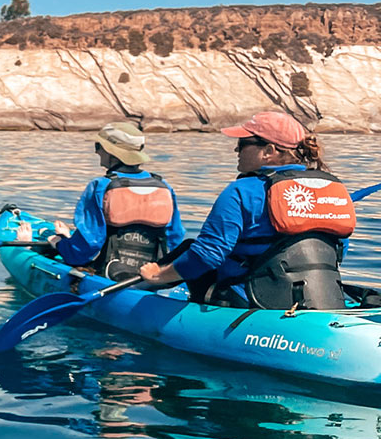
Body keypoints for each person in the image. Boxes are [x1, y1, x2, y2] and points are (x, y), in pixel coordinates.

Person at [137, 112, 356, 309]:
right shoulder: (332, 189)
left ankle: (140, 292)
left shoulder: (241, 191)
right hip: (319, 297)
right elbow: (338, 252)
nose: (236, 150)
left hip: (249, 301)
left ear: (269, 151)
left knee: (189, 249)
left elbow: (207, 256)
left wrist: (159, 276)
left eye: (242, 143)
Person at [45, 122, 185, 279]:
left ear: (111, 153)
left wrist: (60, 243)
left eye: (98, 146)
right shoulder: (164, 186)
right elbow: (174, 238)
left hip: (109, 274)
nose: (97, 152)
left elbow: (88, 245)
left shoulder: (101, 186)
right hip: (153, 275)